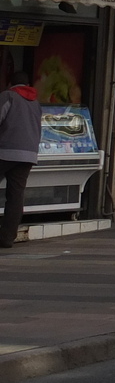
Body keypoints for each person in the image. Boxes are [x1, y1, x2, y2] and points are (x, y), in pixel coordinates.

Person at [0, 71, 42, 249]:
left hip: (5, 151)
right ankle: (7, 238)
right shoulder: (36, 103)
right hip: (28, 155)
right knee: (16, 196)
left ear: (11, 83)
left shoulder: (8, 96)